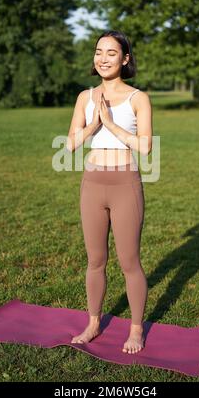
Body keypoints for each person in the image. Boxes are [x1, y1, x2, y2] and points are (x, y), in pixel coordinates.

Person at [66, 30, 152, 354]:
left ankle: (135, 329)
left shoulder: (137, 99)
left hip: (124, 184)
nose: (103, 58)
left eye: (111, 53)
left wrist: (112, 124)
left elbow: (144, 148)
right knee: (95, 260)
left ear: (125, 58)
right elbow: (71, 144)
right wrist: (93, 125)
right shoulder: (85, 98)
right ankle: (92, 323)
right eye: (98, 52)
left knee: (129, 261)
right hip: (92, 184)